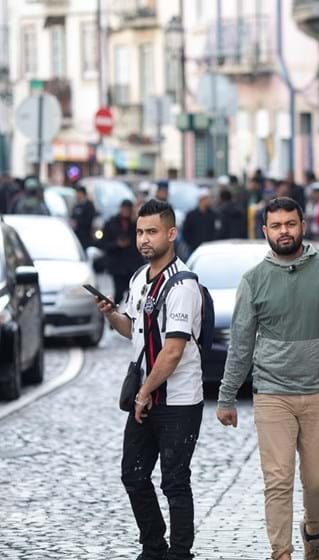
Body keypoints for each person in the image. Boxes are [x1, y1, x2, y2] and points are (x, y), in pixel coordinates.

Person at [216, 197, 319, 560]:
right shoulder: (253, 280)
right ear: (265, 231)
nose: (284, 232)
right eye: (276, 226)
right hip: (272, 394)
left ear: (302, 225)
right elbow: (241, 342)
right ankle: (282, 552)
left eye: (290, 224)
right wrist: (227, 396)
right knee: (277, 480)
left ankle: (312, 527)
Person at [94, 199, 204, 560]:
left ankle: (180, 552)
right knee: (134, 475)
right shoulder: (139, 278)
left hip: (178, 400)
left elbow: (172, 351)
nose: (144, 239)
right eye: (140, 232)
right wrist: (112, 314)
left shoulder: (183, 284)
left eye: (152, 232)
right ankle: (154, 545)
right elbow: (134, 331)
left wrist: (143, 393)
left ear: (171, 234)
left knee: (174, 481)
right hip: (147, 395)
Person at [103, 199, 143, 304]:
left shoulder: (135, 223)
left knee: (134, 293)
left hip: (132, 265)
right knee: (119, 293)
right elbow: (104, 244)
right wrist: (117, 244)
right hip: (118, 265)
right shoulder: (111, 223)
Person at [181, 188, 219, 255]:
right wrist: (191, 244)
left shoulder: (213, 215)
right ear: (202, 199)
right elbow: (185, 232)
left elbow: (216, 231)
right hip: (194, 249)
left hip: (210, 250)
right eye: (208, 198)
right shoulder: (191, 215)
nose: (210, 200)